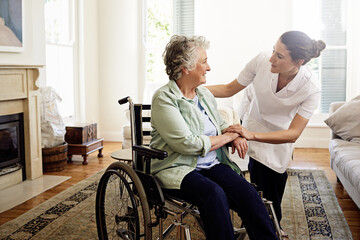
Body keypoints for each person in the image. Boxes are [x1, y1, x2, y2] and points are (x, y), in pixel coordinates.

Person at [150, 35, 277, 240]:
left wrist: (233, 134)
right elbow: (188, 144)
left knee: (248, 195)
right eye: (204, 62)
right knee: (214, 194)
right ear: (186, 67)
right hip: (178, 168)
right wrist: (228, 137)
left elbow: (219, 125)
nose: (208, 67)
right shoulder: (164, 98)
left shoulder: (205, 95)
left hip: (211, 164)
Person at [206, 30, 326, 238]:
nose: (271, 58)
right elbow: (228, 89)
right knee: (255, 186)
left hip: (278, 138)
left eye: (279, 56)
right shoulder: (262, 60)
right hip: (252, 126)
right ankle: (262, 224)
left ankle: (271, 225)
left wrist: (250, 134)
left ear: (299, 62)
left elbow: (293, 133)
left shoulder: (311, 88)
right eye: (273, 51)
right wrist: (191, 88)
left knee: (271, 191)